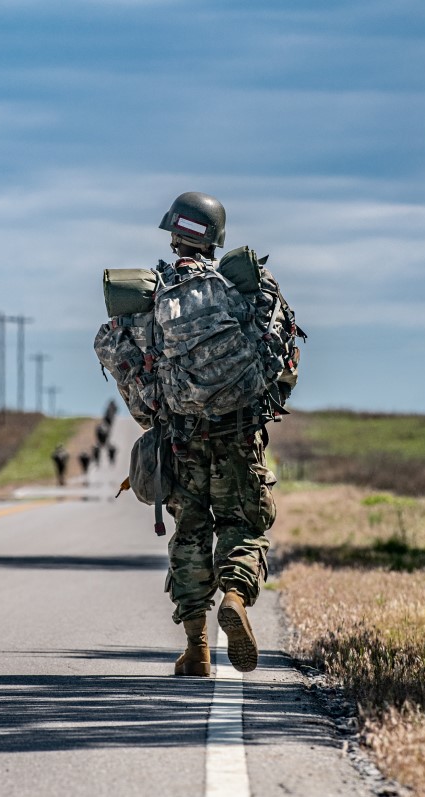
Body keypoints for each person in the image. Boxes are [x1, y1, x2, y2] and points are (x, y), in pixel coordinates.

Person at [153, 191, 293, 678]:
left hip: (181, 437)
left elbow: (135, 366)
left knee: (189, 534)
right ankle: (235, 595)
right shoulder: (250, 285)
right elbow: (284, 358)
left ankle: (196, 650)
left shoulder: (155, 290)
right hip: (237, 435)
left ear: (175, 234)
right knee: (245, 525)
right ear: (216, 237)